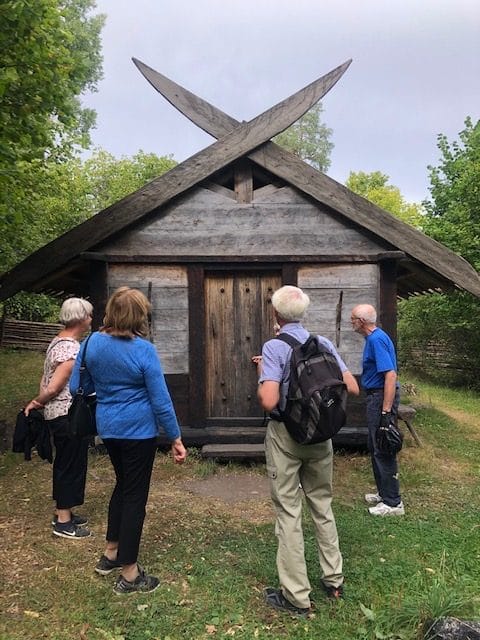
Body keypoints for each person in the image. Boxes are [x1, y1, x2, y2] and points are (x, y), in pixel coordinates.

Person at [70, 286, 187, 595]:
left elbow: (75, 386)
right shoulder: (143, 350)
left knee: (123, 486)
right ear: (139, 316)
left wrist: (107, 395)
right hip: (138, 432)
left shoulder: (91, 343)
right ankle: (130, 573)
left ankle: (110, 552)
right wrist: (175, 437)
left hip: (108, 428)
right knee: (135, 496)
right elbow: (160, 400)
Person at [255, 285, 359, 617]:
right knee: (322, 506)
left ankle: (297, 596)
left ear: (275, 314)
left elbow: (269, 401)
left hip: (286, 436)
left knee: (288, 512)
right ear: (304, 313)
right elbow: (351, 387)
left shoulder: (274, 346)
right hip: (320, 436)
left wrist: (263, 372)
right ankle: (334, 580)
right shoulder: (323, 343)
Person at [24, 297, 94, 539]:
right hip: (66, 414)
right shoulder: (71, 350)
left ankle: (64, 510)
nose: (91, 319)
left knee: (68, 461)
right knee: (70, 464)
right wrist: (37, 402)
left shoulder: (59, 341)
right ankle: (64, 522)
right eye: (88, 315)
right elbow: (54, 387)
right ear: (80, 318)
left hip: (61, 414)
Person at [350, 303, 404, 516]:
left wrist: (385, 412)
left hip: (381, 397)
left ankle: (393, 503)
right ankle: (384, 493)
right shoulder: (373, 338)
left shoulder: (376, 340)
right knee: (375, 445)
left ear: (361, 321)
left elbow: (390, 375)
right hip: (375, 396)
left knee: (384, 445)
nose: (351, 322)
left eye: (353, 318)